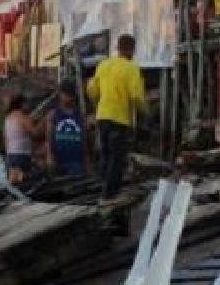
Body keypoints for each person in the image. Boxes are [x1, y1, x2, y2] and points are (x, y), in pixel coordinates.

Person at [87, 33, 146, 198]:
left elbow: (92, 89)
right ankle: (110, 194)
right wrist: (144, 112)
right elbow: (136, 96)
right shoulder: (131, 67)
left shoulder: (104, 65)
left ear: (118, 47)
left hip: (102, 116)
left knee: (105, 154)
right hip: (119, 119)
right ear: (132, 49)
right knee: (116, 158)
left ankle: (100, 189)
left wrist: (97, 103)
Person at [46, 78, 87, 177]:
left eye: (71, 95)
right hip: (59, 160)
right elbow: (49, 138)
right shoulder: (53, 114)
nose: (68, 98)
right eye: (66, 94)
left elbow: (84, 139)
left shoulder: (79, 115)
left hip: (76, 161)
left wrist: (86, 160)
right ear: (60, 94)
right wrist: (50, 157)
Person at [3, 93, 38, 183]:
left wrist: (7, 154)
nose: (29, 106)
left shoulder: (8, 118)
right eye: (27, 103)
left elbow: (6, 138)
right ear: (22, 104)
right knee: (24, 182)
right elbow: (35, 133)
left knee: (14, 181)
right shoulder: (23, 118)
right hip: (22, 154)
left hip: (11, 154)